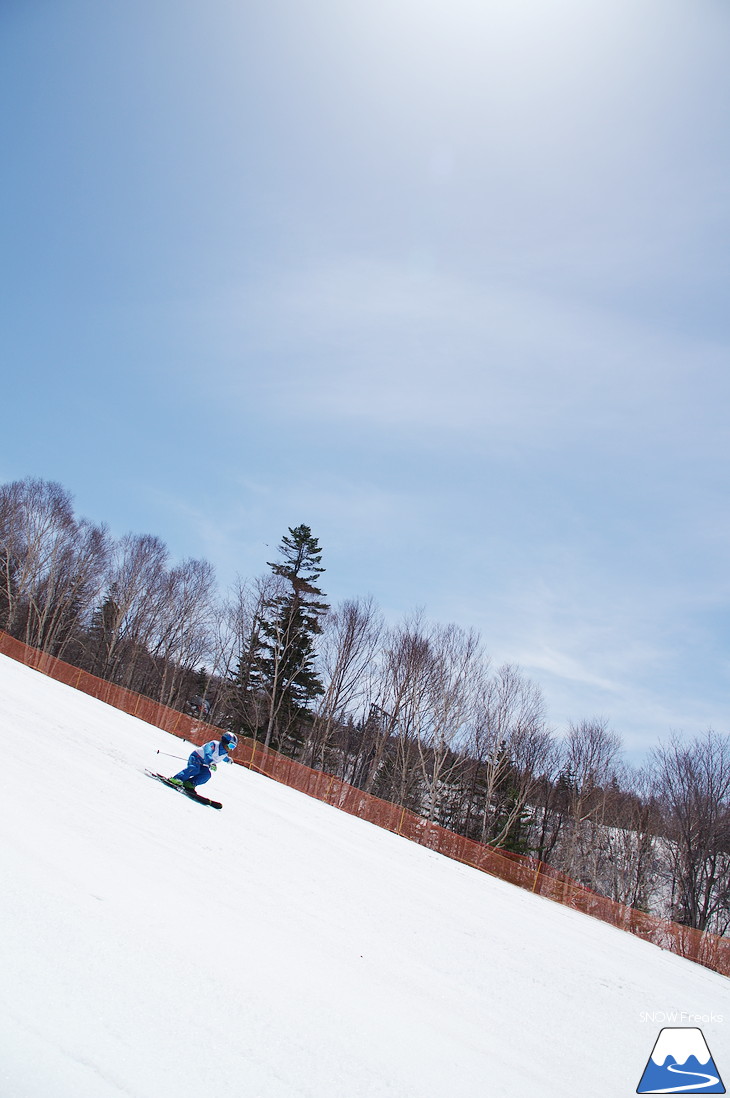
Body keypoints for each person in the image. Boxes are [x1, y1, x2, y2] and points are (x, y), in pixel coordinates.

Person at [169, 732, 238, 791]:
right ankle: (177, 779)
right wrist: (211, 762)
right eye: (231, 746)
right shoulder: (214, 744)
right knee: (194, 768)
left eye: (233, 747)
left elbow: (223, 757)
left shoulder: (224, 753)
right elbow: (207, 753)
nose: (230, 749)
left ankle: (189, 783)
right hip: (197, 758)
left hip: (204, 764)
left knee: (206, 775)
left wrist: (228, 760)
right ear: (225, 742)